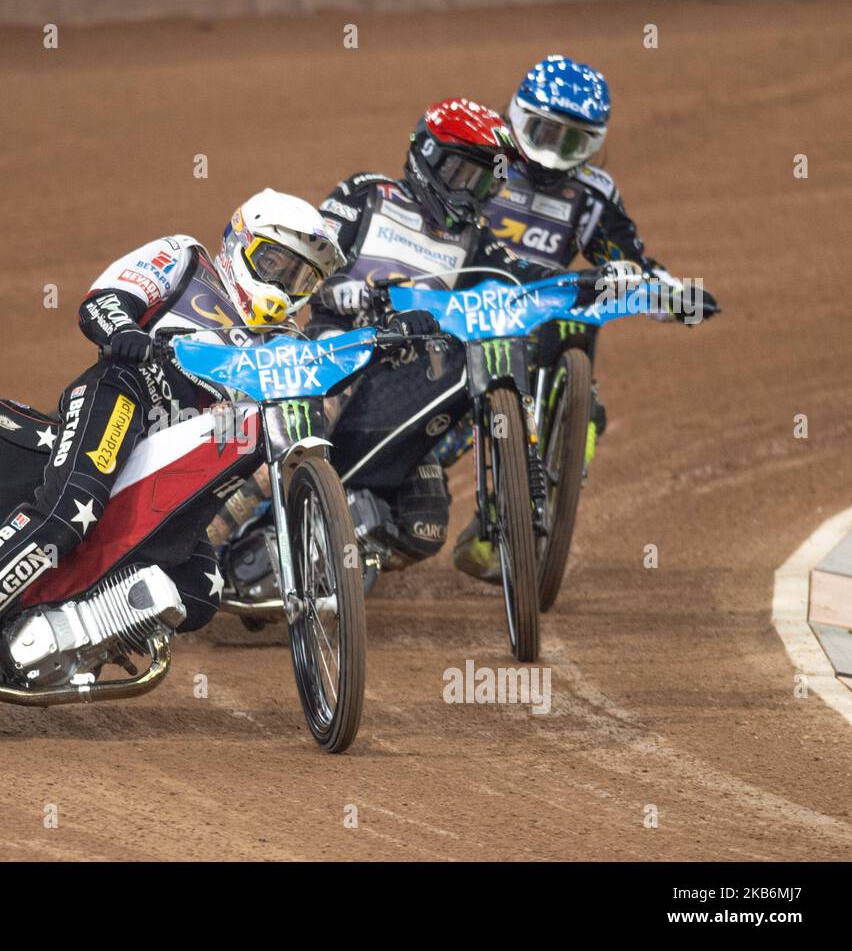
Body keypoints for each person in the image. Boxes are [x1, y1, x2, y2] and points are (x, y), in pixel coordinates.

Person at [0, 189, 345, 716]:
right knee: (68, 512)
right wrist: (125, 331)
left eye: (301, 277)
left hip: (171, 469)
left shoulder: (284, 345)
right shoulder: (187, 259)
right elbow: (105, 298)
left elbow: (326, 376)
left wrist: (404, 333)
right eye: (276, 263)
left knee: (199, 586)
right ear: (241, 243)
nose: (285, 285)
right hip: (125, 393)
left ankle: (39, 637)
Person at [284, 98, 633, 567]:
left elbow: (520, 277)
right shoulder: (366, 194)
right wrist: (356, 294)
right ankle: (228, 527)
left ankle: (342, 544)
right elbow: (311, 263)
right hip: (342, 353)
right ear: (428, 156)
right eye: (462, 174)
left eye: (485, 181)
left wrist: (585, 285)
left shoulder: (475, 238)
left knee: (424, 528)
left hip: (413, 383)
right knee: (307, 422)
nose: (470, 192)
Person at [447, 56, 721, 581]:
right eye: (546, 131)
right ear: (519, 116)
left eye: (572, 141)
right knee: (437, 436)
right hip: (459, 314)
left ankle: (519, 510)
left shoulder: (594, 195)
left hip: (536, 317)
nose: (554, 150)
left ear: (593, 143)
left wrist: (676, 296)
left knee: (586, 399)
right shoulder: (485, 161)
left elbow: (628, 262)